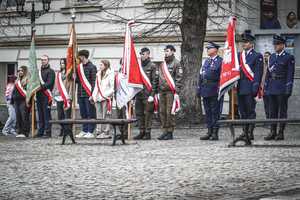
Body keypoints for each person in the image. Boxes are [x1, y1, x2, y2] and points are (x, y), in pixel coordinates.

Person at [264, 35, 295, 140]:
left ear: (282, 45)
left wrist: (288, 89)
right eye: (274, 44)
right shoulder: (271, 57)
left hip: (282, 87)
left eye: (277, 44)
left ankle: (280, 132)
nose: (275, 46)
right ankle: (272, 131)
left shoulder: (288, 57)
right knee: (272, 111)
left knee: (282, 111)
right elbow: (268, 74)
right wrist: (266, 87)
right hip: (272, 87)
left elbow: (290, 75)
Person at [234, 32, 263, 145]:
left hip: (250, 87)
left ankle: (250, 132)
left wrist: (255, 87)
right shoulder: (239, 55)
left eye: (245, 42)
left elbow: (258, 73)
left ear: (251, 43)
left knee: (250, 111)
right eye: (243, 42)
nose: (243, 44)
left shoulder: (257, 56)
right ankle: (244, 131)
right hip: (240, 87)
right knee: (242, 111)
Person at [197, 42, 223, 140]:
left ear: (215, 50)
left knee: (215, 112)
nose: (207, 50)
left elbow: (222, 77)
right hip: (205, 89)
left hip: (214, 89)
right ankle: (209, 131)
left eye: (209, 48)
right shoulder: (206, 61)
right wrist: (199, 88)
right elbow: (201, 75)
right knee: (207, 112)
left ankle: (215, 133)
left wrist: (220, 89)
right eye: (207, 48)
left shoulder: (220, 61)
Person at [157, 45, 183, 140]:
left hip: (171, 92)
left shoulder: (176, 63)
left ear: (172, 51)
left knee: (169, 112)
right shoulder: (162, 64)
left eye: (167, 51)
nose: (166, 53)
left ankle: (170, 131)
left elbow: (179, 79)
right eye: (165, 51)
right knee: (162, 112)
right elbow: (158, 78)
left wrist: (177, 92)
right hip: (162, 91)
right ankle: (164, 131)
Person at [133, 47, 158, 140]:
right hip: (139, 94)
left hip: (148, 94)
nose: (141, 56)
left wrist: (152, 95)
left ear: (148, 54)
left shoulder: (152, 66)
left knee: (148, 114)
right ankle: (141, 131)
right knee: (139, 113)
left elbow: (154, 81)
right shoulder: (138, 66)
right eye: (141, 54)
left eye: (143, 54)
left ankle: (148, 132)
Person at [75, 49, 97, 138]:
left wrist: (92, 94)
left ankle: (90, 130)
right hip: (80, 94)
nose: (79, 58)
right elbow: (78, 81)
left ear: (83, 56)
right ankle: (84, 130)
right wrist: (74, 78)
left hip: (88, 94)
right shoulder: (78, 67)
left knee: (90, 113)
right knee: (83, 113)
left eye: (79, 56)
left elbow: (93, 82)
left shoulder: (92, 67)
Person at [54, 58, 75, 144]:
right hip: (59, 97)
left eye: (63, 63)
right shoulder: (58, 74)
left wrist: (70, 97)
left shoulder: (69, 74)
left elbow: (71, 86)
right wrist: (54, 95)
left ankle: (68, 131)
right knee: (60, 116)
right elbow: (56, 85)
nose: (62, 65)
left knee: (67, 116)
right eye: (61, 63)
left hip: (66, 97)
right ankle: (63, 129)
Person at [91, 60, 114, 139]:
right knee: (99, 114)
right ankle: (98, 131)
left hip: (106, 97)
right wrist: (93, 96)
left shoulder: (110, 74)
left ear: (106, 65)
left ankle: (106, 131)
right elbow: (96, 87)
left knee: (106, 114)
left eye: (101, 65)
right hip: (98, 97)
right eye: (99, 65)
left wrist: (105, 95)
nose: (99, 66)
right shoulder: (98, 74)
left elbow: (112, 87)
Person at [36, 55, 55, 138]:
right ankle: (40, 131)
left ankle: (48, 132)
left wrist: (40, 87)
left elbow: (49, 83)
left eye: (45, 60)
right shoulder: (38, 71)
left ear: (48, 61)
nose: (43, 61)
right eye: (42, 60)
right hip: (39, 95)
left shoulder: (51, 71)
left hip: (47, 96)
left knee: (46, 114)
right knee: (40, 114)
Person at [11, 66, 30, 138]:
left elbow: (27, 92)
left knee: (24, 116)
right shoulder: (17, 81)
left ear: (24, 71)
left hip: (23, 100)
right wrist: (12, 100)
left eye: (21, 70)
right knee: (18, 116)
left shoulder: (27, 80)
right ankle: (20, 131)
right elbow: (14, 91)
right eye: (19, 71)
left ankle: (25, 132)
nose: (20, 72)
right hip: (16, 101)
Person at [262, 52, 271, 119]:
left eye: (267, 56)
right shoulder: (262, 65)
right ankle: (267, 119)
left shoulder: (271, 65)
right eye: (264, 56)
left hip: (270, 88)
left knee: (270, 106)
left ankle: (270, 121)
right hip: (263, 88)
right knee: (266, 105)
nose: (265, 57)